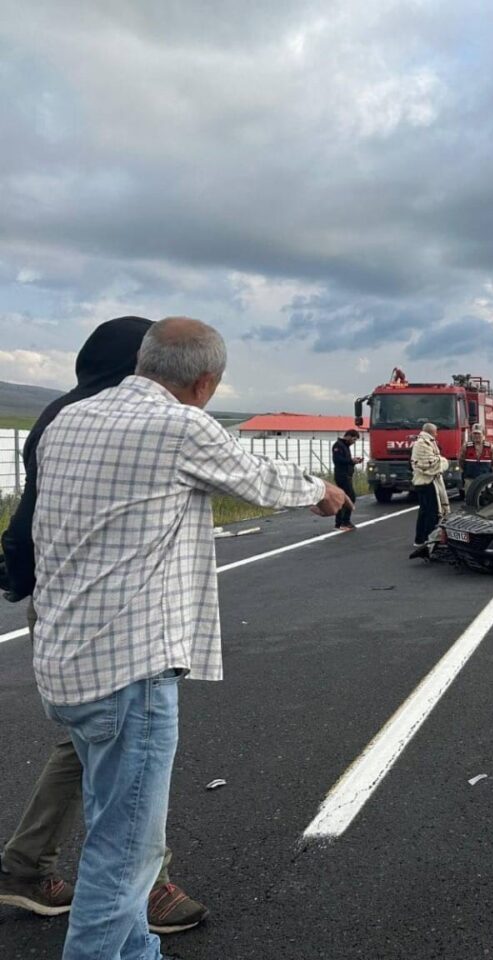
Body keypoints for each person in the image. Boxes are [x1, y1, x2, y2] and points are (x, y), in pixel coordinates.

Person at [29, 317, 348, 960]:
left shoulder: (69, 419)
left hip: (63, 662)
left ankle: (138, 950)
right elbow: (261, 479)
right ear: (205, 382)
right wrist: (327, 493)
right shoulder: (179, 425)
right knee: (124, 854)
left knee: (113, 823)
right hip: (130, 671)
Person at [0, 316, 209, 935]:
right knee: (133, 745)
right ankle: (144, 886)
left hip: (64, 607)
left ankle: (26, 864)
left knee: (88, 745)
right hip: (104, 616)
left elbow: (33, 515)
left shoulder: (65, 414)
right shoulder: (124, 420)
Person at [411, 422, 450, 546]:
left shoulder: (425, 442)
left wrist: (440, 460)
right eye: (436, 432)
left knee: (425, 511)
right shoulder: (422, 444)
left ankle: (421, 538)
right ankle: (429, 539)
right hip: (426, 482)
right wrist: (444, 462)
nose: (437, 434)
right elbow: (429, 464)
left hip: (426, 482)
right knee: (431, 512)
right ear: (431, 432)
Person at [331, 428, 364, 530]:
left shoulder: (345, 446)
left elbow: (346, 460)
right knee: (350, 498)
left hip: (347, 475)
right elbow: (338, 460)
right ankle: (344, 522)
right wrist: (351, 461)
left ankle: (340, 522)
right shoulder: (338, 445)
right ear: (348, 436)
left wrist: (354, 461)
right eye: (353, 439)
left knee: (343, 498)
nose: (354, 442)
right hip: (342, 476)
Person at [458, 424, 493, 495]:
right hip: (470, 478)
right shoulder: (466, 447)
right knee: (470, 497)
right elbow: (461, 460)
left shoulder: (490, 447)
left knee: (485, 499)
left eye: (478, 433)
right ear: (471, 435)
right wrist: (463, 471)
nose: (476, 436)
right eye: (474, 433)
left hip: (485, 479)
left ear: (483, 434)